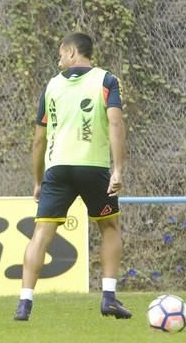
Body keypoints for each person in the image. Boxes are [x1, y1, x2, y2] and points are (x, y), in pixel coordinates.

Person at [13, 32, 131, 321]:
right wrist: (117, 169)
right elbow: (116, 123)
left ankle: (24, 302)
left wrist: (38, 180)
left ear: (70, 52)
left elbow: (38, 140)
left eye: (60, 52)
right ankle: (109, 297)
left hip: (58, 169)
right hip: (93, 168)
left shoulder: (51, 86)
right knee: (110, 227)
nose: (59, 58)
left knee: (41, 233)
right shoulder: (106, 80)